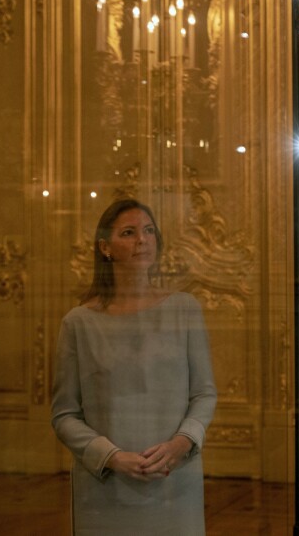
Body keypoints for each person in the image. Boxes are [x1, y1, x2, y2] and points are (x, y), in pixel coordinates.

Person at [51, 199, 217, 535]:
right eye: (128, 232)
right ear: (105, 248)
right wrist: (111, 456)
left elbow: (204, 393)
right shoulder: (78, 323)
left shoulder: (185, 310)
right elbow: (64, 415)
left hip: (175, 482)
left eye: (149, 231)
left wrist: (181, 443)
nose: (142, 239)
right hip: (105, 487)